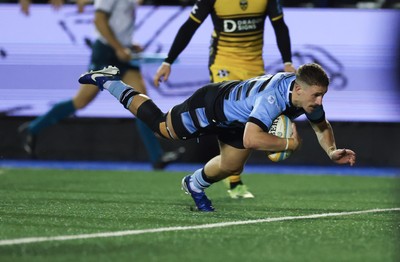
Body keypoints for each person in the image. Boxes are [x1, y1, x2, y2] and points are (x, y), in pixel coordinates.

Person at [78, 63, 357, 212]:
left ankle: (193, 184)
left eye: (322, 95)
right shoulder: (272, 99)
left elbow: (321, 126)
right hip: (211, 105)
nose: (319, 101)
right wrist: (288, 144)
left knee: (232, 165)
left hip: (236, 117)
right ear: (297, 89)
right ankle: (110, 81)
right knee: (162, 128)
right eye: (316, 95)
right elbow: (251, 138)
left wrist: (331, 151)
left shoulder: (304, 95)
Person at [153, 0, 296, 199]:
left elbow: (279, 25)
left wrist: (287, 61)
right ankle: (234, 179)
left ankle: (232, 171)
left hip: (254, 67)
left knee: (248, 122)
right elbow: (190, 26)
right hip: (223, 63)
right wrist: (168, 61)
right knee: (228, 116)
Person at [18, 0, 184, 169]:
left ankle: (157, 157)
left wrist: (128, 43)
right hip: (106, 52)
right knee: (81, 101)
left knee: (140, 100)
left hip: (122, 52)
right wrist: (119, 47)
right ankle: (32, 129)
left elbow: (118, 22)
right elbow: (99, 20)